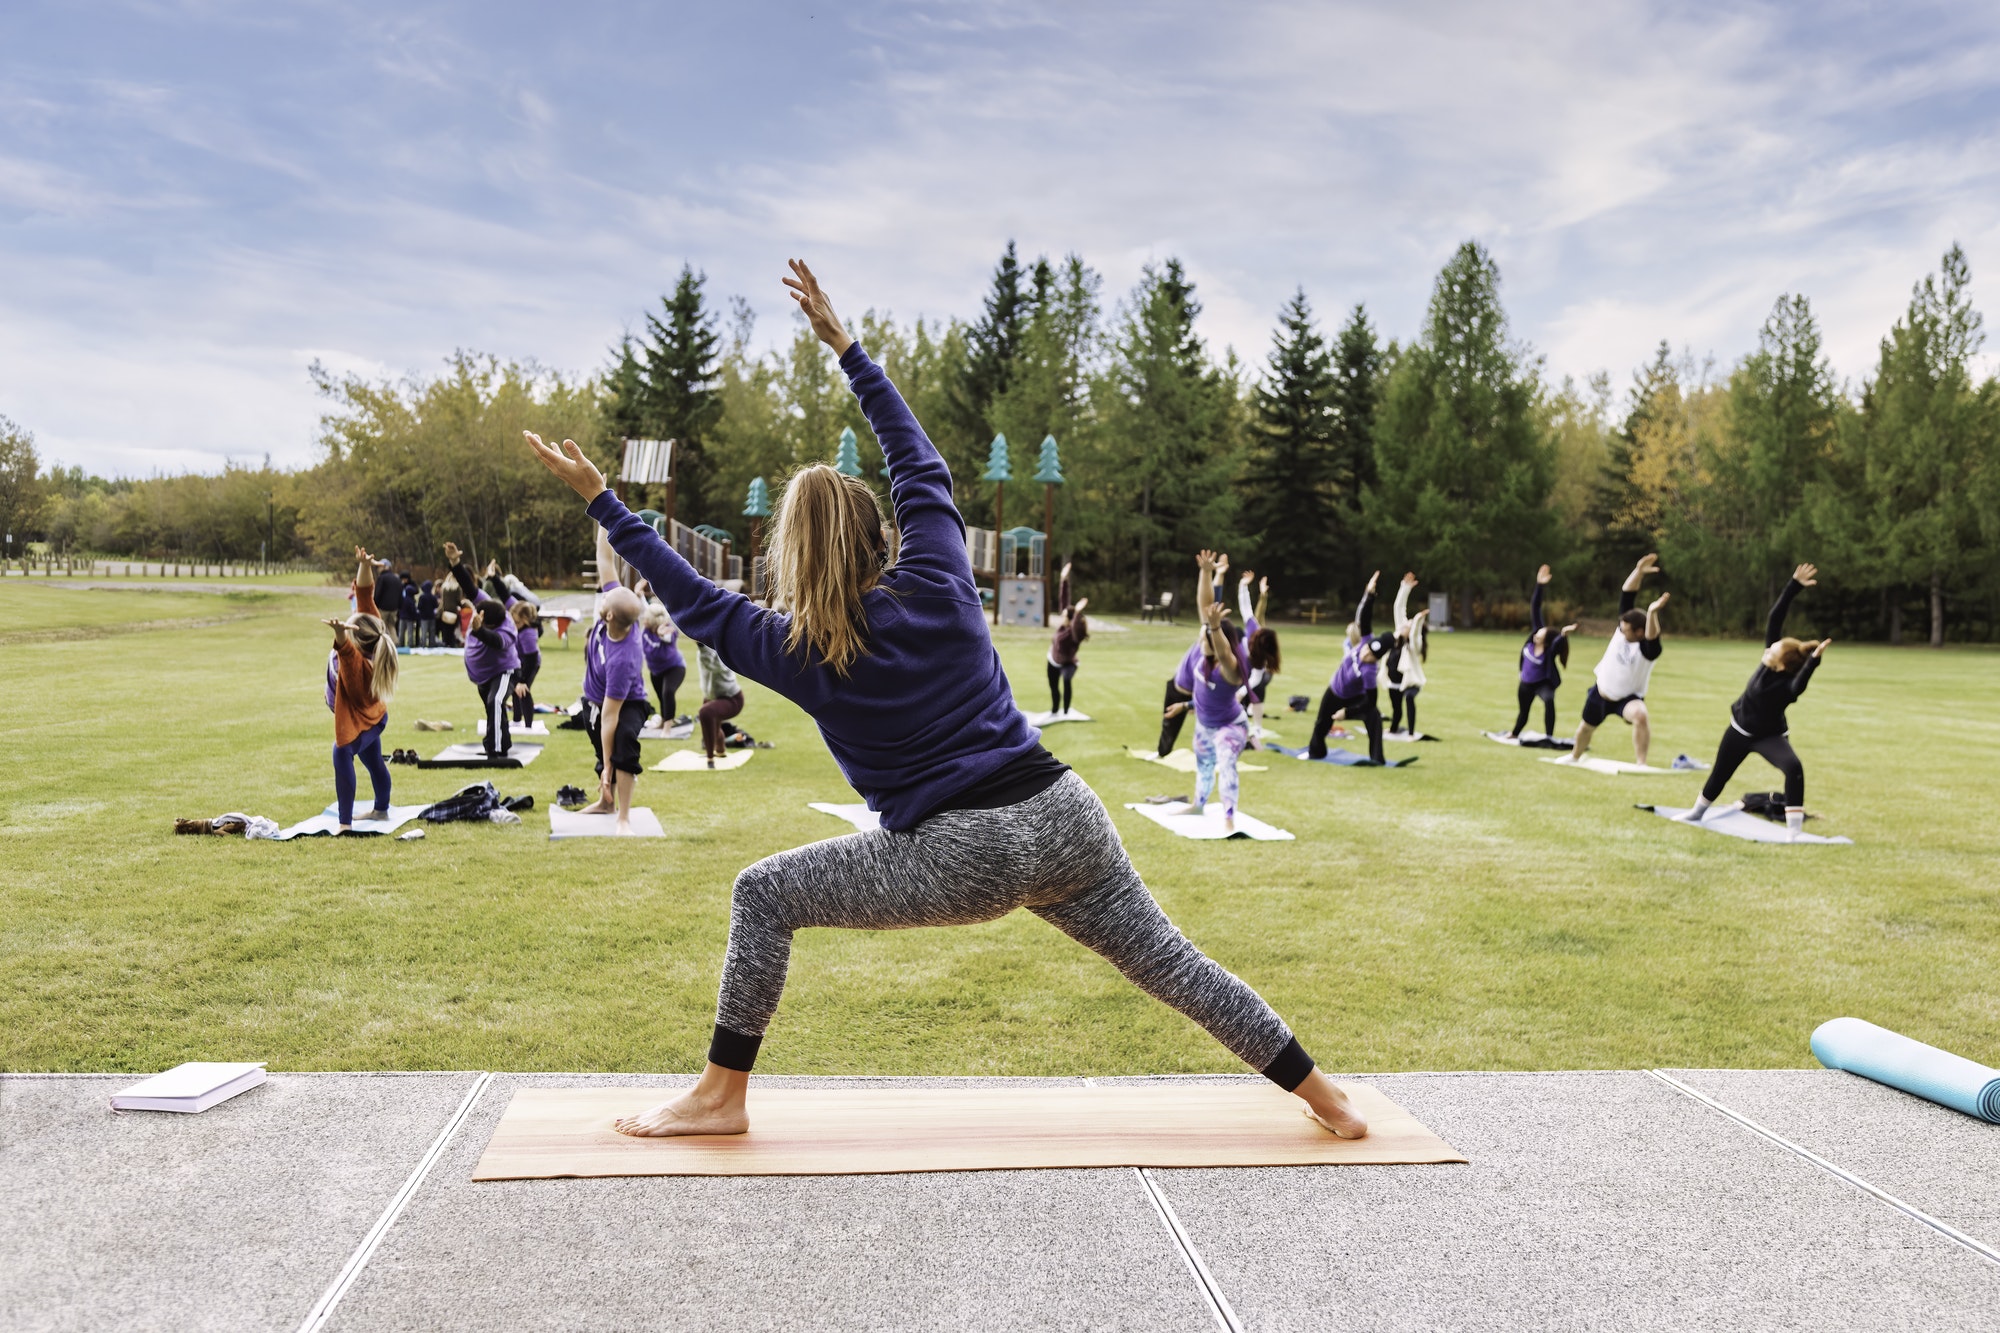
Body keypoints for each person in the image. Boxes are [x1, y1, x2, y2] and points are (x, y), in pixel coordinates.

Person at [524, 258, 1366, 1141]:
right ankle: (1326, 1098)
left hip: (961, 850)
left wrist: (605, 504)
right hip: (1065, 812)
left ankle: (720, 1095)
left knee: (762, 895)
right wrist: (846, 349)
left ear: (794, 560)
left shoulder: (798, 647)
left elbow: (693, 599)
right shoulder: (938, 574)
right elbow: (919, 461)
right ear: (884, 532)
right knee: (1172, 964)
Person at [1681, 564, 1829, 836]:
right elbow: (1775, 618)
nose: (1768, 648)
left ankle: (1794, 831)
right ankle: (1697, 813)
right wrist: (1793, 585)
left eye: (1773, 649)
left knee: (1793, 767)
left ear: (1783, 664)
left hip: (1769, 737)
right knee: (1720, 774)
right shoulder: (1769, 663)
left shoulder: (1786, 685)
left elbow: (1799, 687)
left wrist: (1813, 663)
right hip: (1739, 730)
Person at [1161, 551, 1250, 832]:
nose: (1202, 638)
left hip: (1230, 726)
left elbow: (1222, 648)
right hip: (1205, 723)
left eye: (1208, 636)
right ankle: (1198, 805)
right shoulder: (1203, 653)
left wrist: (1214, 627)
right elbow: (1205, 604)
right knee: (1203, 765)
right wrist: (1206, 572)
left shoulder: (1230, 668)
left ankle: (1229, 816)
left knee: (1225, 764)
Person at [322, 546, 400, 831]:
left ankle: (345, 824)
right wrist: (365, 566)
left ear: (355, 641)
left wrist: (341, 635)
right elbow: (364, 593)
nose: (351, 616)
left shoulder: (358, 665)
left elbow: (347, 654)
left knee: (341, 752)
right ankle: (380, 810)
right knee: (372, 758)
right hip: (372, 717)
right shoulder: (372, 627)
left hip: (361, 722)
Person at [1568, 554, 1669, 767]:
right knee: (1585, 728)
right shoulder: (1624, 626)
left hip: (1626, 700)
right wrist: (1638, 571)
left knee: (1640, 716)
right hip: (1602, 692)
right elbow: (1627, 593)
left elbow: (1653, 637)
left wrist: (1652, 612)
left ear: (1639, 631)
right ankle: (1574, 758)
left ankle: (1641, 764)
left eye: (1626, 630)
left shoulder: (1647, 649)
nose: (1620, 633)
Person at [579, 558, 651, 832]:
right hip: (594, 699)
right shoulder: (618, 611)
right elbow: (605, 561)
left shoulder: (624, 659)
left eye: (606, 599)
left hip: (627, 702)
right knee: (601, 750)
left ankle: (623, 816)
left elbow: (611, 718)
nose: (603, 598)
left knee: (622, 746)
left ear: (609, 616)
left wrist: (609, 767)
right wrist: (603, 519)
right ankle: (605, 803)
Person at [1305, 571, 1407, 766]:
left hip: (1356, 696)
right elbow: (1365, 615)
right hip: (1336, 689)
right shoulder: (1366, 639)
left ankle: (1377, 759)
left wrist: (1348, 713)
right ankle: (1316, 752)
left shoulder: (1370, 672)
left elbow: (1371, 701)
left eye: (1370, 656)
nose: (1365, 654)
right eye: (1366, 650)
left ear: (1376, 659)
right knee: (1321, 723)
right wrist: (1369, 593)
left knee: (1374, 718)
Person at [443, 542, 519, 758]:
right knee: (492, 707)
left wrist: (478, 631)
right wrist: (455, 562)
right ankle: (502, 742)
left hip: (505, 671)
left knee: (495, 701)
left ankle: (494, 749)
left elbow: (496, 642)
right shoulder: (485, 604)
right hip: (483, 674)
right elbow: (468, 586)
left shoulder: (507, 628)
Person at [1157, 552, 1228, 756]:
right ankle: (1163, 753)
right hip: (1177, 685)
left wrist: (1187, 705)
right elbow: (1209, 603)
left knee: (1200, 733)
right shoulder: (1210, 634)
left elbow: (1207, 696)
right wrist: (1213, 573)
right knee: (1168, 730)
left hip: (1186, 693)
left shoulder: (1213, 664)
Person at [1504, 565, 1577, 740]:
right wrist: (1539, 585)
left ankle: (1549, 737)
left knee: (1549, 701)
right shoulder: (1533, 638)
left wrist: (1564, 634)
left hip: (1542, 684)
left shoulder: (1549, 650)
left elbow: (1558, 643)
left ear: (1546, 640)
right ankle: (1514, 733)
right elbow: (1535, 607)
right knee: (1523, 711)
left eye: (1541, 634)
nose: (1537, 634)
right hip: (1526, 683)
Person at [1236, 573, 1279, 746]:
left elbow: (1256, 678)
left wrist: (1242, 692)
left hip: (1253, 676)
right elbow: (1245, 607)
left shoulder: (1261, 660)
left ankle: (1257, 728)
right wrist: (1243, 585)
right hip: (1239, 670)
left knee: (1256, 693)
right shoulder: (1253, 626)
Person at [1385, 572, 1428, 737]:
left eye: (1408, 624)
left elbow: (1416, 633)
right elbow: (1398, 607)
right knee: (1396, 709)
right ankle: (1394, 729)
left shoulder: (1414, 645)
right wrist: (1405, 587)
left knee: (1409, 699)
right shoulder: (1397, 636)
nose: (1405, 624)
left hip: (1411, 683)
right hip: (1394, 681)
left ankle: (1411, 733)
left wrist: (1417, 620)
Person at [1046, 562, 1089, 716]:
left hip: (1067, 663)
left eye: (1065, 615)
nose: (1062, 616)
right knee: (1053, 686)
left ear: (1071, 619)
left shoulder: (1074, 632)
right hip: (1053, 660)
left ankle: (1066, 712)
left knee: (1066, 681)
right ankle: (1055, 710)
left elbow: (1076, 625)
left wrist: (1077, 612)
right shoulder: (1064, 623)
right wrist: (1063, 578)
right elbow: (1064, 599)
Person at [695, 641, 745, 766]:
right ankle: (720, 750)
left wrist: (701, 647)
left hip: (732, 699)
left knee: (705, 712)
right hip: (713, 696)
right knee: (712, 723)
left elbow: (713, 666)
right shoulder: (708, 648)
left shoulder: (724, 651)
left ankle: (710, 759)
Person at [641, 603, 687, 725]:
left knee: (668, 692)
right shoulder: (646, 631)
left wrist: (661, 635)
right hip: (655, 670)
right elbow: (647, 609)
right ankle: (664, 720)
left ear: (652, 620)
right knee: (661, 697)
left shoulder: (668, 629)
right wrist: (640, 596)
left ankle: (668, 725)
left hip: (674, 668)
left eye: (646, 618)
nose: (643, 620)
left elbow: (667, 638)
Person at [510, 601, 542, 728]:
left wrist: (523, 680)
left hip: (530, 665)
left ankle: (529, 725)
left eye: (517, 622)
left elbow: (532, 659)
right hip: (521, 663)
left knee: (523, 691)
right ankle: (517, 720)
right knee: (515, 691)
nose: (514, 625)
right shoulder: (521, 630)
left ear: (525, 620)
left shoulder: (527, 633)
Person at [436, 574, 462, 648]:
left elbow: (442, 601)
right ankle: (452, 644)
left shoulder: (444, 587)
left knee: (445, 630)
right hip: (453, 611)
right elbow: (458, 600)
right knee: (452, 630)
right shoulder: (457, 587)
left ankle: (445, 644)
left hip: (445, 611)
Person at [397, 574, 420, 649]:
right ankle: (410, 644)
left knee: (401, 632)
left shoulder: (402, 599)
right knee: (410, 632)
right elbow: (413, 610)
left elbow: (399, 607)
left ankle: (401, 643)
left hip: (402, 617)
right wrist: (415, 617)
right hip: (409, 618)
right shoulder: (411, 601)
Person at [416, 579, 440, 648]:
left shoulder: (422, 597)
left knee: (424, 631)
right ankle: (431, 644)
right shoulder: (433, 597)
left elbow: (419, 607)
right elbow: (436, 606)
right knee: (432, 632)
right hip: (432, 617)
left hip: (424, 617)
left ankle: (423, 645)